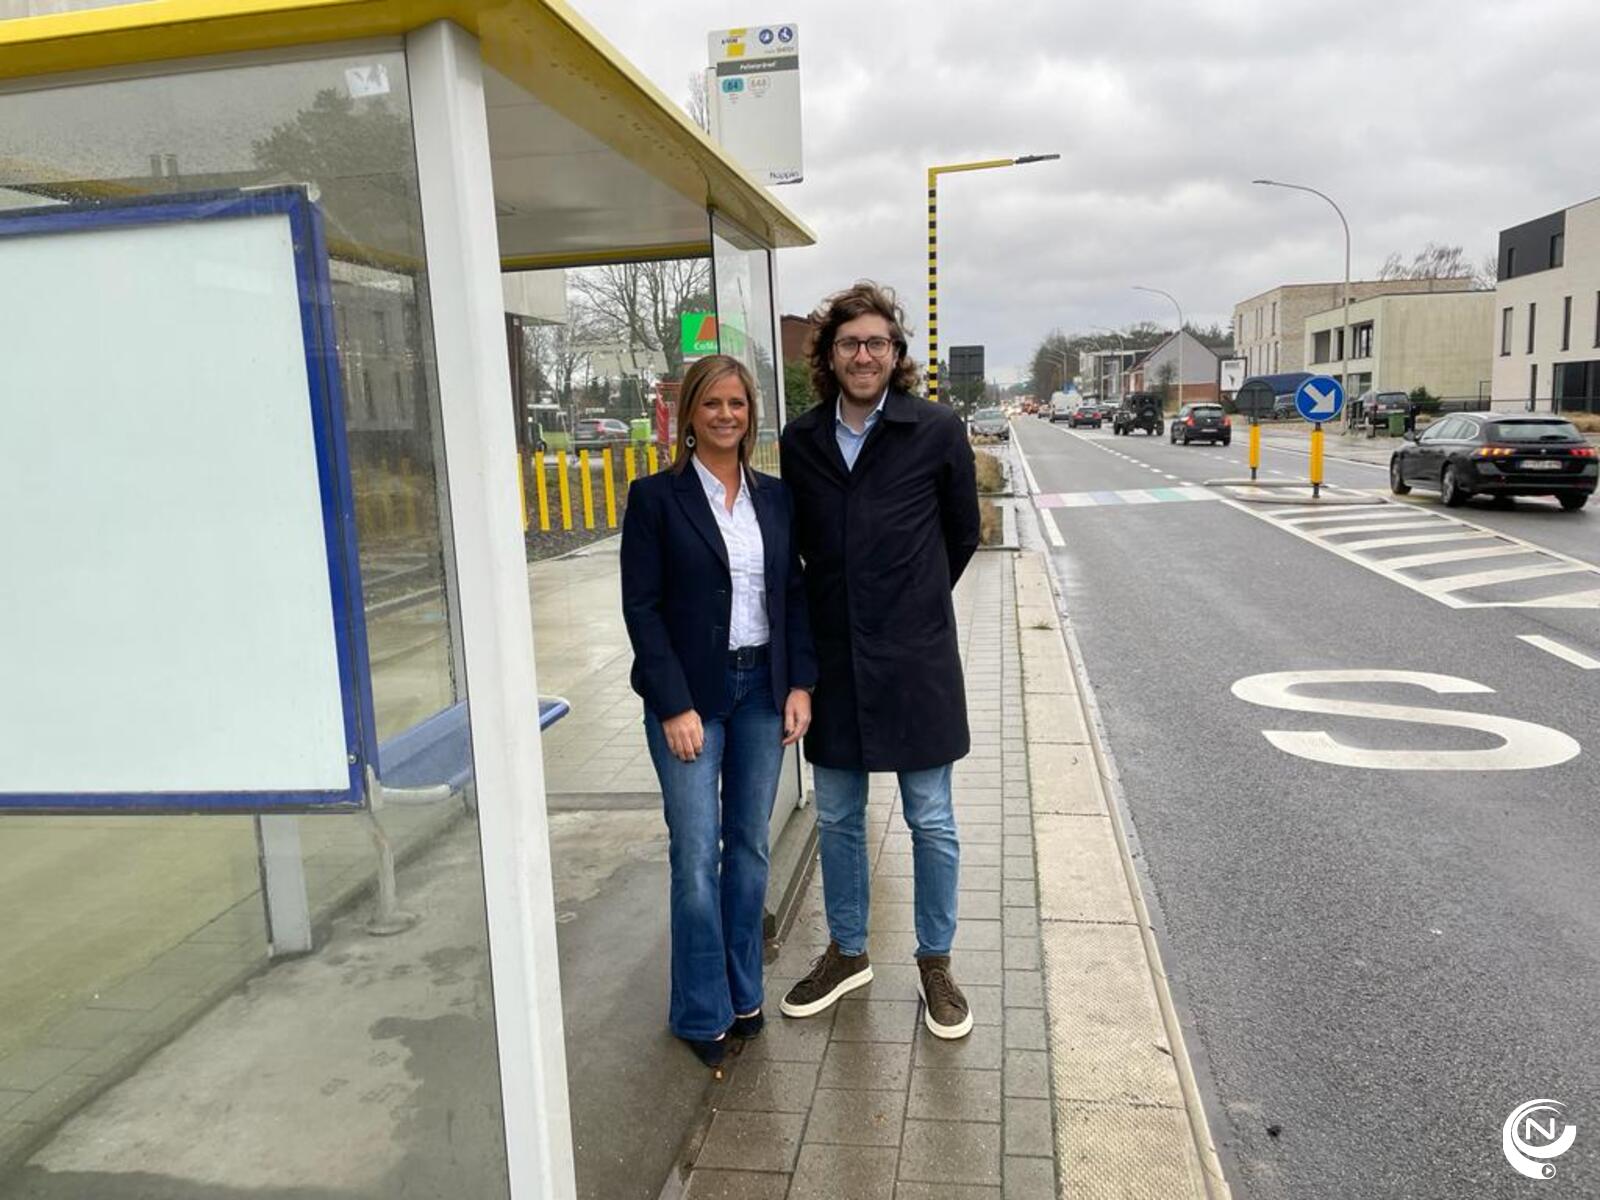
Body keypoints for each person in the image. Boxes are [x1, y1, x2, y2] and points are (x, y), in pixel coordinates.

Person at [777, 282, 982, 1039]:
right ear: (828, 357)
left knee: (931, 819)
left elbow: (961, 535)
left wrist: (909, 604)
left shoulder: (934, 430)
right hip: (833, 660)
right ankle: (848, 950)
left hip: (917, 661)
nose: (863, 356)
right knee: (836, 816)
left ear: (896, 356)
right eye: (848, 344)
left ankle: (936, 962)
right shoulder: (802, 442)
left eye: (877, 344)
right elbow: (796, 553)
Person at [620, 354, 818, 1068]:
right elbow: (641, 609)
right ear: (689, 415)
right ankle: (699, 1011)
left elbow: (793, 595)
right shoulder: (655, 499)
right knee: (696, 856)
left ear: (750, 412)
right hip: (692, 701)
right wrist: (672, 703)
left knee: (752, 850)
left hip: (764, 689)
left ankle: (743, 993)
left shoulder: (775, 497)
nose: (726, 415)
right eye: (713, 404)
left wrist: (800, 684)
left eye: (737, 404)